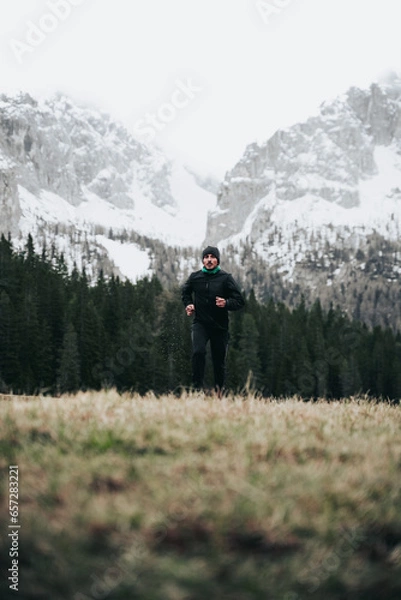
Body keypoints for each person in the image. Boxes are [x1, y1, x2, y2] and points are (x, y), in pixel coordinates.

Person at [181, 245, 245, 393]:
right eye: (206, 257)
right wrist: (189, 304)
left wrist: (226, 303)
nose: (209, 260)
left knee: (219, 362)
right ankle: (196, 391)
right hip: (200, 324)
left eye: (212, 257)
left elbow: (239, 301)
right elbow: (185, 293)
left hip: (220, 327)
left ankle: (219, 393)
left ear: (217, 260)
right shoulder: (195, 277)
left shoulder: (226, 278)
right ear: (203, 260)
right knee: (198, 352)